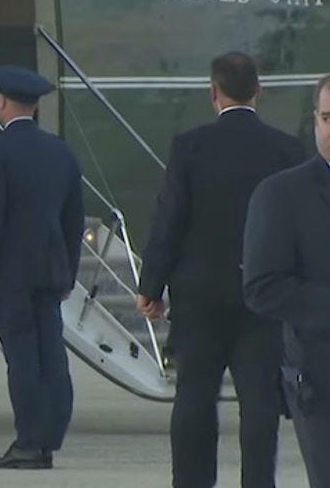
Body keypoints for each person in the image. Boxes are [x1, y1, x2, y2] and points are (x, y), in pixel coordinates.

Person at [137, 52, 305, 488]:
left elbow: (169, 220)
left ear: (213, 92)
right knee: (259, 404)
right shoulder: (286, 149)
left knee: (193, 398)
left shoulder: (188, 147)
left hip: (198, 298)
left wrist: (150, 285)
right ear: (258, 92)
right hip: (263, 296)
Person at [0, 65, 84, 470]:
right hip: (50, 270)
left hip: (9, 274)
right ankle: (49, 436)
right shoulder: (60, 151)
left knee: (22, 358)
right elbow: (74, 219)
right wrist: (68, 273)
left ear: (1, 101)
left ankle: (29, 442)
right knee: (52, 355)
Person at [243, 74, 330, 488]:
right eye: (329, 118)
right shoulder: (281, 195)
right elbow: (262, 286)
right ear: (315, 120)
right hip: (322, 383)